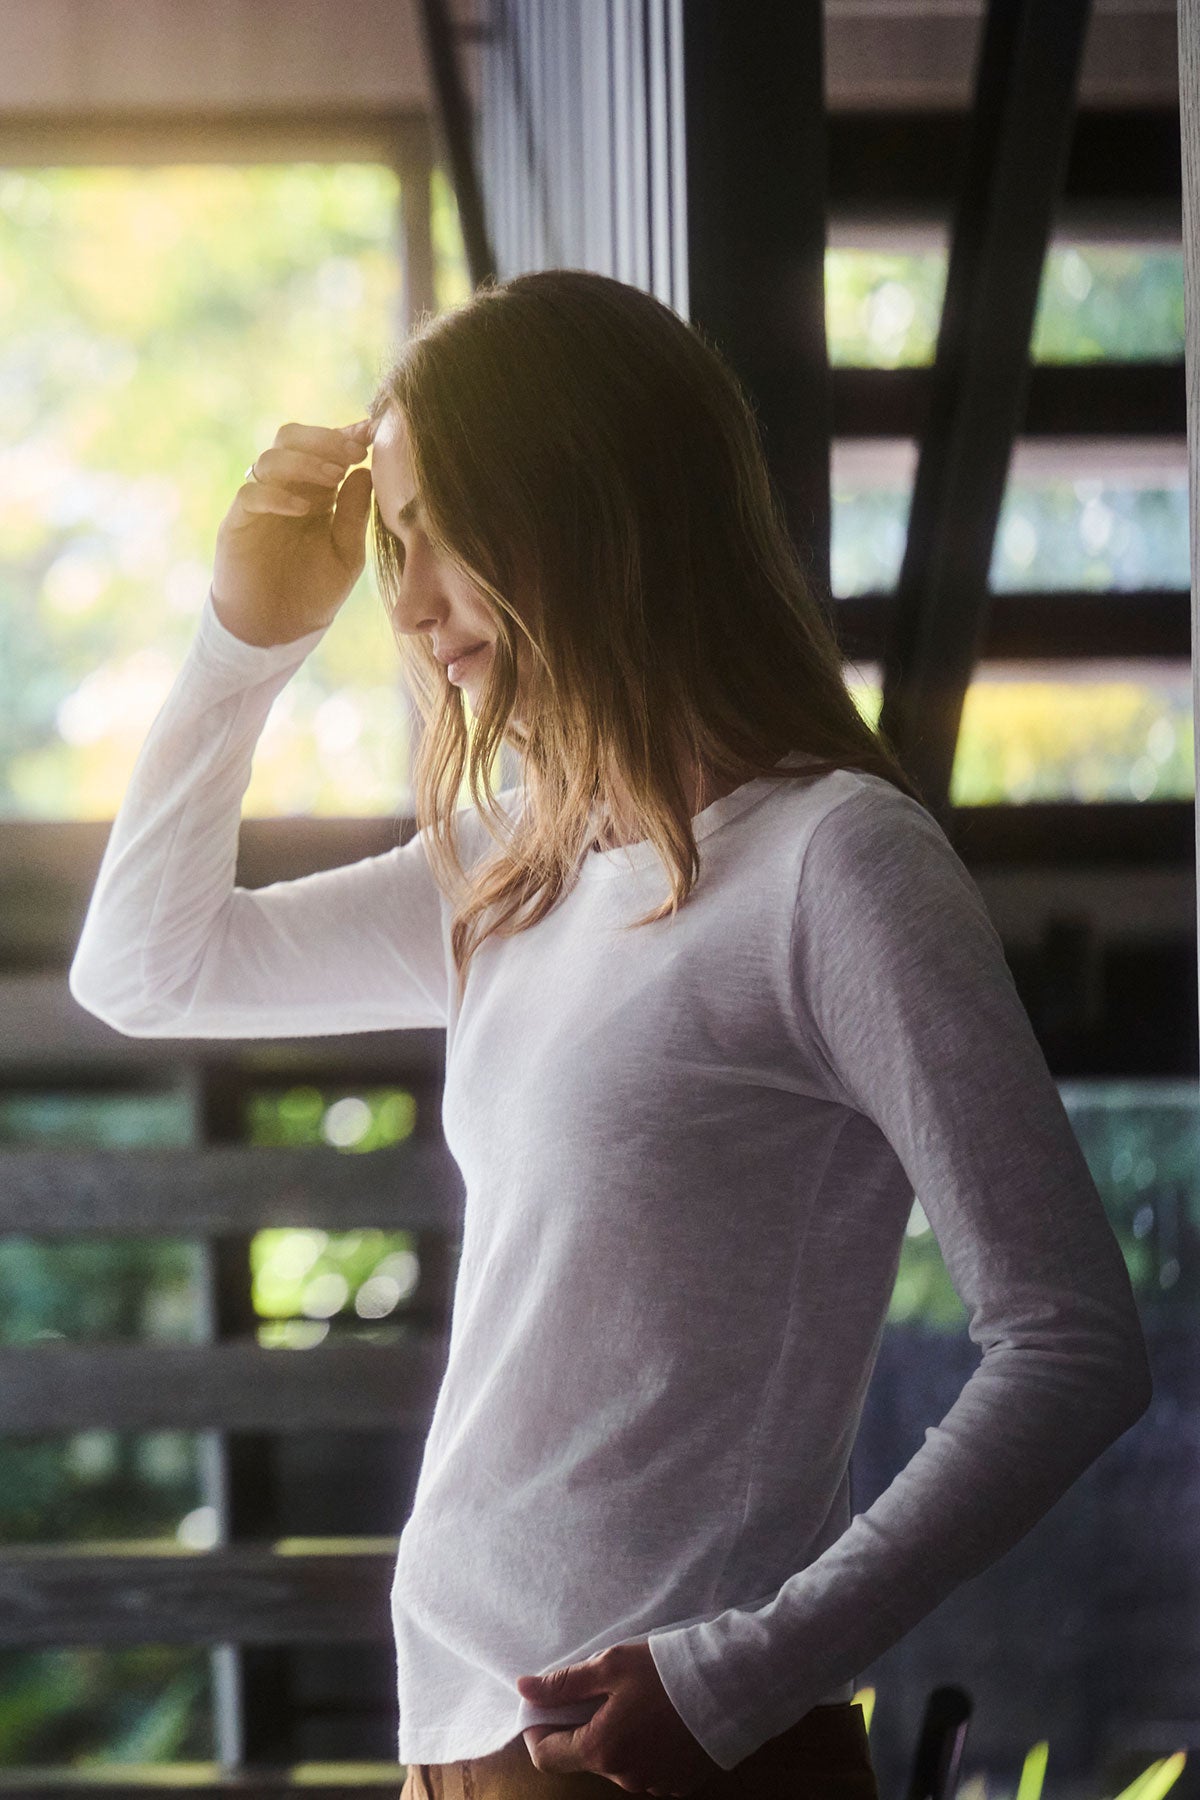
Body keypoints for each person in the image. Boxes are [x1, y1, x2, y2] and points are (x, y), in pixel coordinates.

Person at [68, 269, 1152, 1800]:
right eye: (394, 541)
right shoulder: (519, 864)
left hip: (660, 1759)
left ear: (588, 508)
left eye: (442, 525)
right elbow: (146, 970)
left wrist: (743, 1670)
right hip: (454, 1748)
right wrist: (245, 640)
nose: (407, 594)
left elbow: (1071, 1346)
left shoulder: (836, 862)